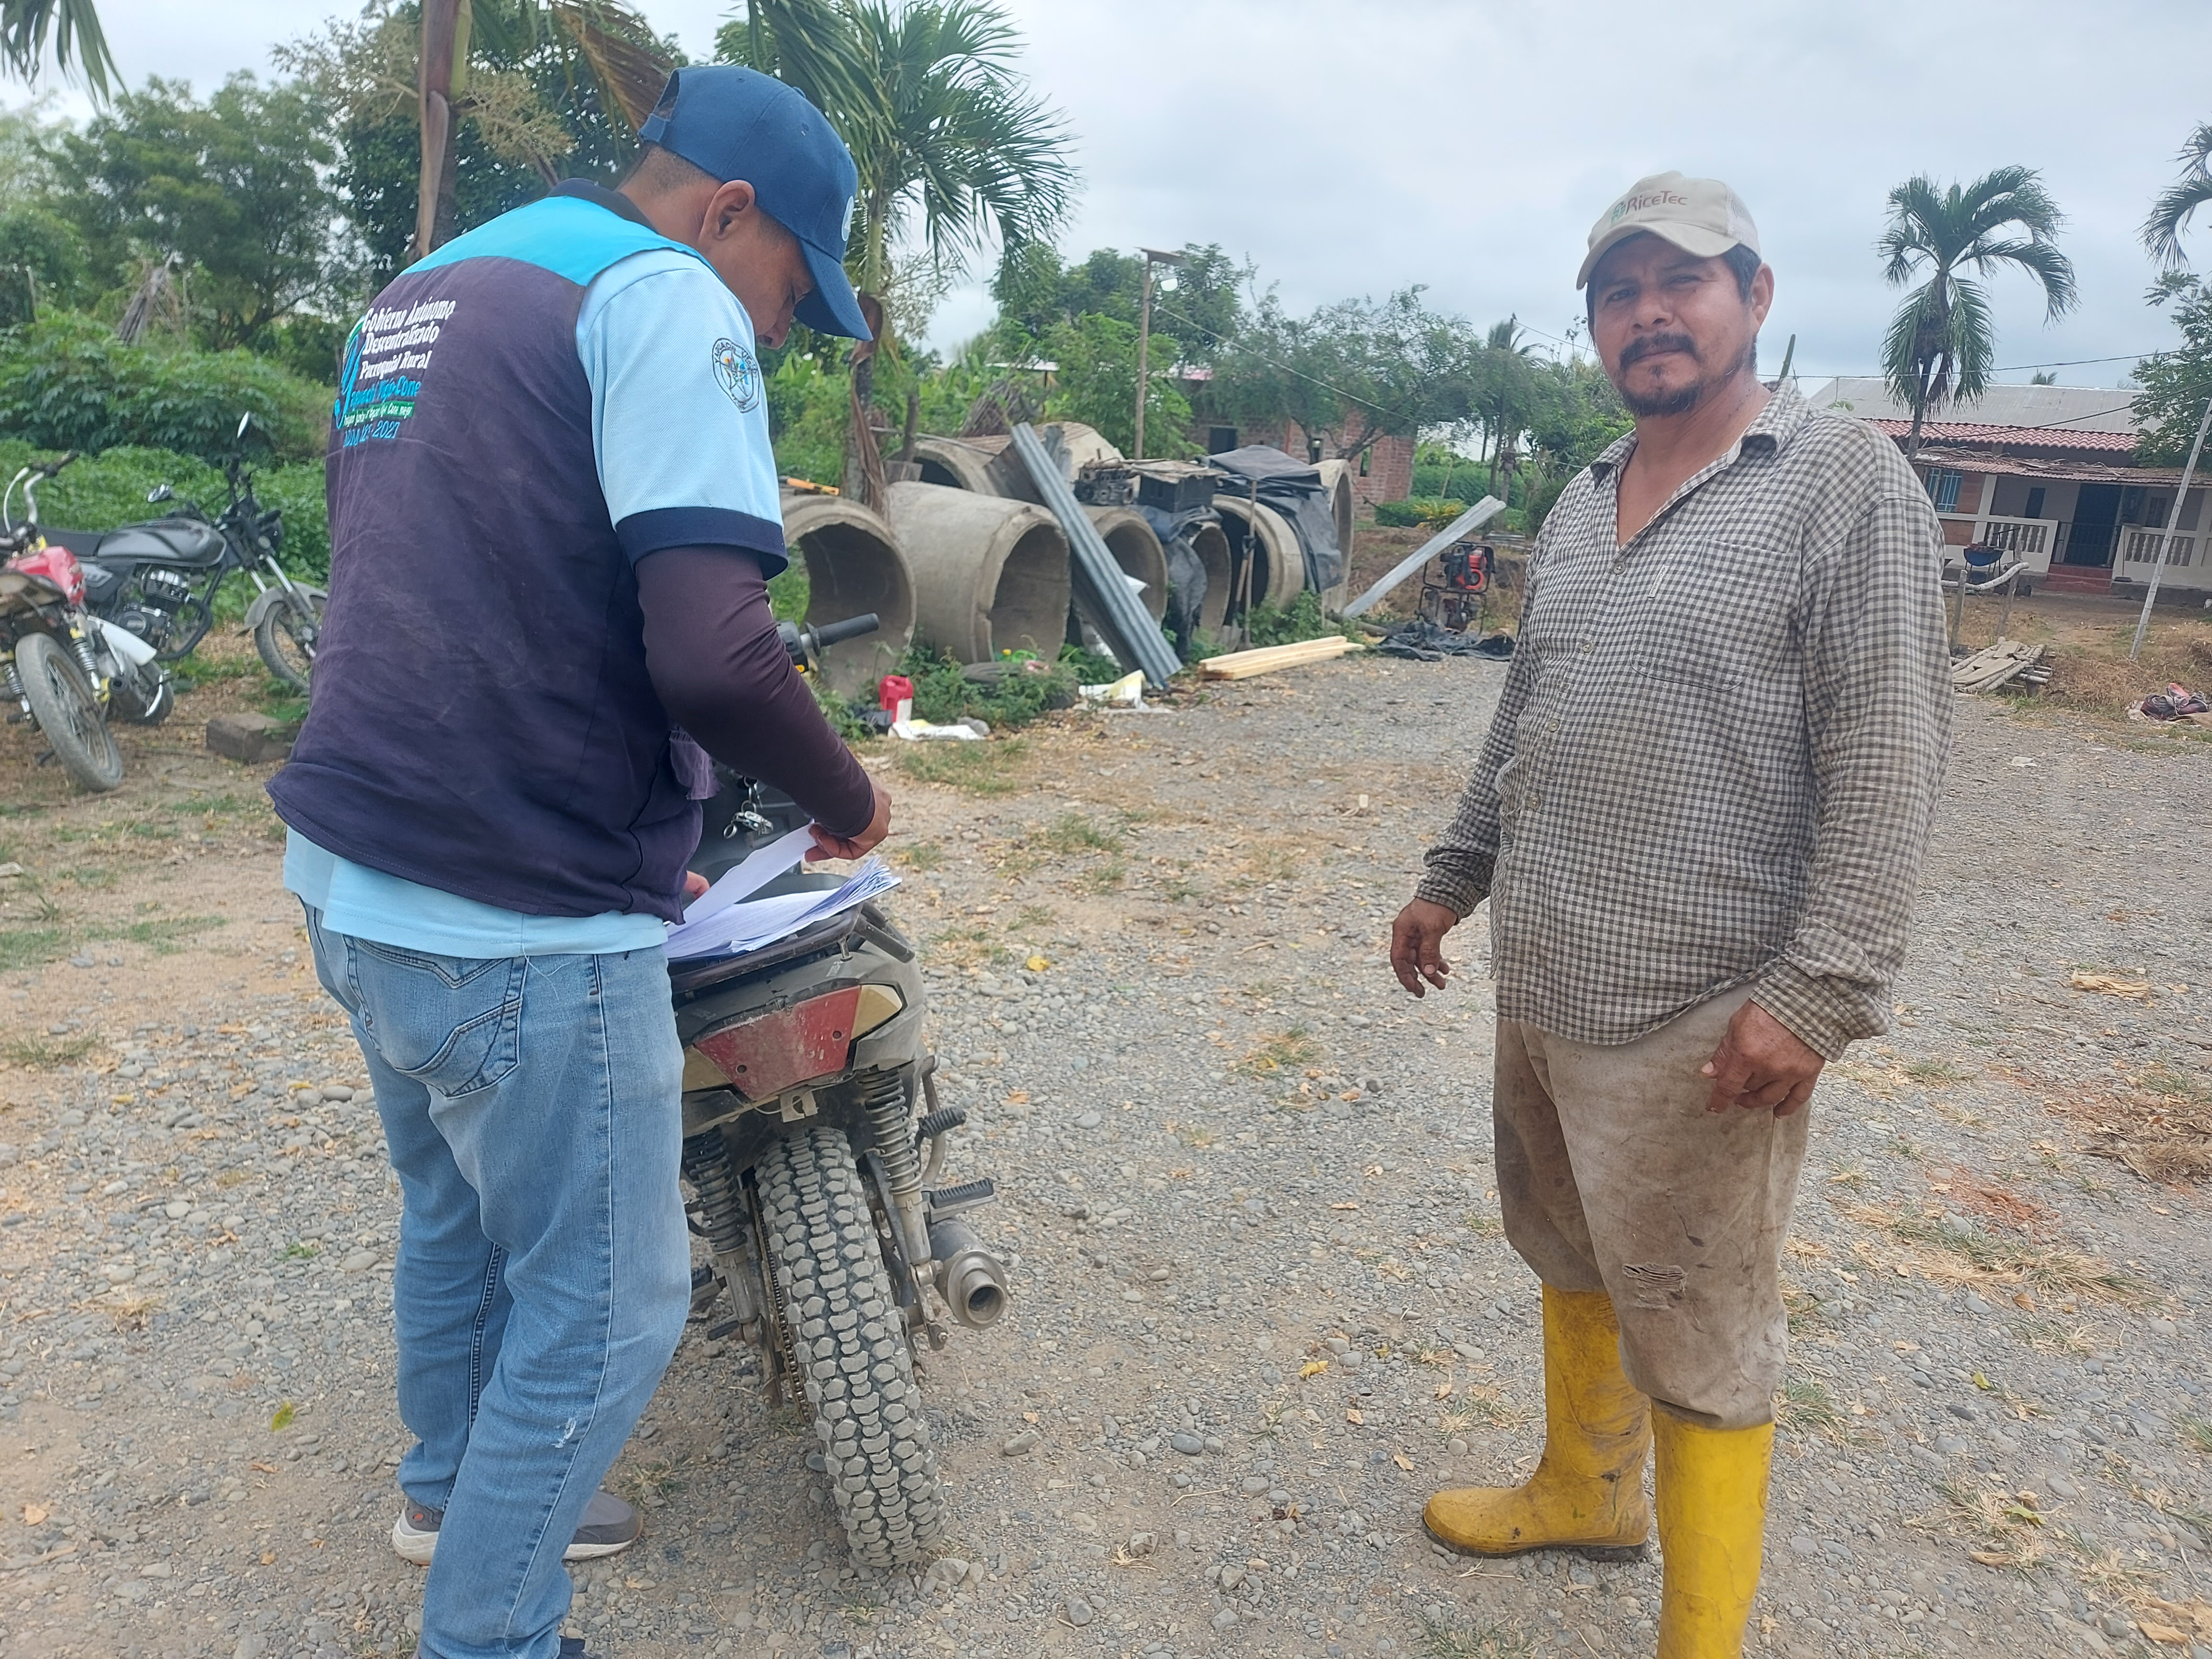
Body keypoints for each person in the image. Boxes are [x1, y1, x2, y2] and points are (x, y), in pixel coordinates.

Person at [267, 66, 888, 1659]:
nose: (778, 330)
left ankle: (445, 1489)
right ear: (728, 214)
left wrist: (638, 814)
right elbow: (717, 651)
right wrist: (846, 792)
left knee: (456, 1210)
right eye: (789, 289)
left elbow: (472, 583)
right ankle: (491, 1633)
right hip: (515, 910)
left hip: (352, 870)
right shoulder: (661, 294)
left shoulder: (424, 291)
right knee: (610, 1305)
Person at [1388, 172, 1951, 1658]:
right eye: (1617, 292)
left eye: (1681, 281)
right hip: (1550, 977)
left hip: (1705, 1012)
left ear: (1754, 296)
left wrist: (1820, 994)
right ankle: (1585, 1488)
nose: (1647, 313)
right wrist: (1453, 875)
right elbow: (1529, 713)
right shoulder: (1584, 499)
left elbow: (1890, 754)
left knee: (1698, 1326)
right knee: (1572, 1250)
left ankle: (1700, 1639)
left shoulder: (1843, 489)